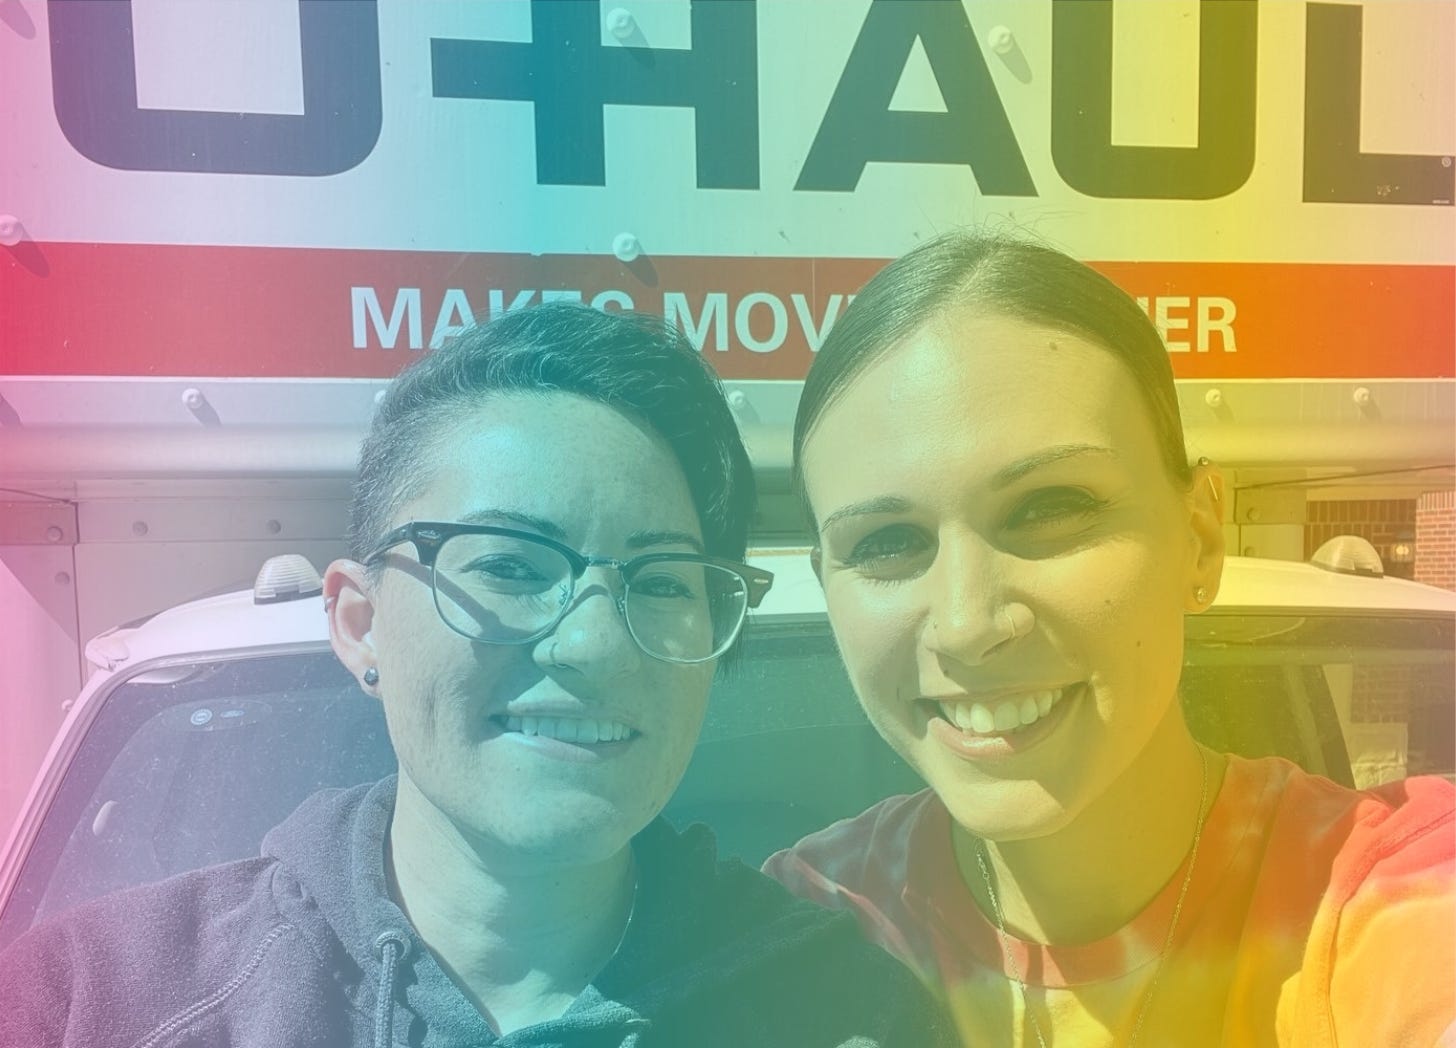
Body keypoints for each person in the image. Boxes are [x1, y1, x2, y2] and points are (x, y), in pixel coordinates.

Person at [0, 303, 954, 1048]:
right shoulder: (90, 1002)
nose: (591, 645)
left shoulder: (843, 1012)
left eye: (661, 580)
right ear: (359, 620)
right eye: (508, 564)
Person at [764, 232, 1456, 1046]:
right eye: (884, 542)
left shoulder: (1392, 895)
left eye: (1052, 507)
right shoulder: (810, 925)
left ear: (1199, 537)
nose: (968, 625)